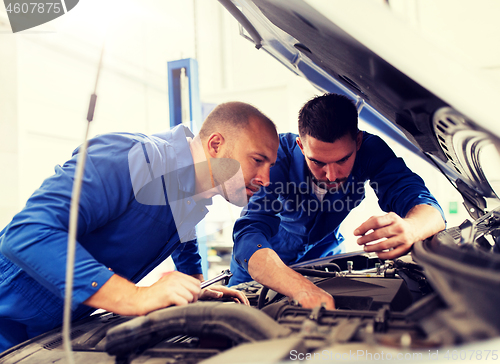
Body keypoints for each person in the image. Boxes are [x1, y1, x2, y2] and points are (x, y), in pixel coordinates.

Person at [0, 101, 279, 352]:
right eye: (257, 160)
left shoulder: (196, 190)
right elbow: (27, 233)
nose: (266, 178)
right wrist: (134, 297)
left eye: (271, 165)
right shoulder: (129, 158)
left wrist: (196, 291)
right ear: (216, 145)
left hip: (57, 331)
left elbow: (183, 236)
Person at [229, 93, 446, 309]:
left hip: (322, 265)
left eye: (342, 160)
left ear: (358, 142)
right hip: (260, 274)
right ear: (301, 146)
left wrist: (411, 229)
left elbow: (425, 205)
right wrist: (299, 288)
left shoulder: (371, 151)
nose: (331, 175)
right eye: (318, 162)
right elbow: (249, 234)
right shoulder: (275, 159)